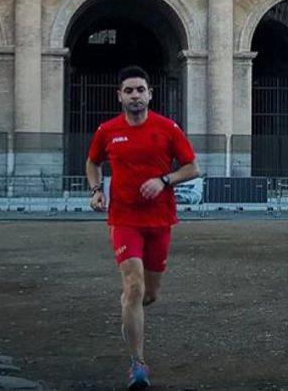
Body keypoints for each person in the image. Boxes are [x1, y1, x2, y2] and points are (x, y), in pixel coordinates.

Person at [85, 65, 200, 390]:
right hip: (123, 219)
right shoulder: (107, 131)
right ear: (119, 96)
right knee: (133, 287)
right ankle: (138, 364)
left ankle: (132, 308)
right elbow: (93, 162)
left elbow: (193, 167)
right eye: (129, 90)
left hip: (160, 220)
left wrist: (164, 180)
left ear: (150, 93)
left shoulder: (167, 128)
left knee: (149, 294)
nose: (135, 95)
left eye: (140, 89)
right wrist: (96, 190)